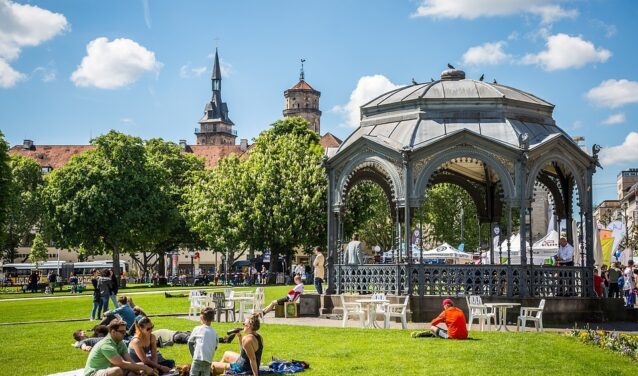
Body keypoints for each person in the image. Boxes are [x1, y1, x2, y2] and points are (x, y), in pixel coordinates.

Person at [84, 319, 155, 376]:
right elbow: (121, 363)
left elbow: (129, 361)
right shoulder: (106, 345)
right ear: (113, 331)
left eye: (125, 331)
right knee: (117, 371)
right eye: (122, 332)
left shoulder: (120, 342)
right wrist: (144, 368)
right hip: (94, 372)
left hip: (110, 368)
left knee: (139, 366)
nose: (124, 334)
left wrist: (140, 370)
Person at [188, 307, 218, 376]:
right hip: (208, 360)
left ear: (202, 318)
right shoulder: (215, 333)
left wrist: (193, 355)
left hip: (197, 359)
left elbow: (190, 343)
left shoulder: (197, 329)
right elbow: (215, 347)